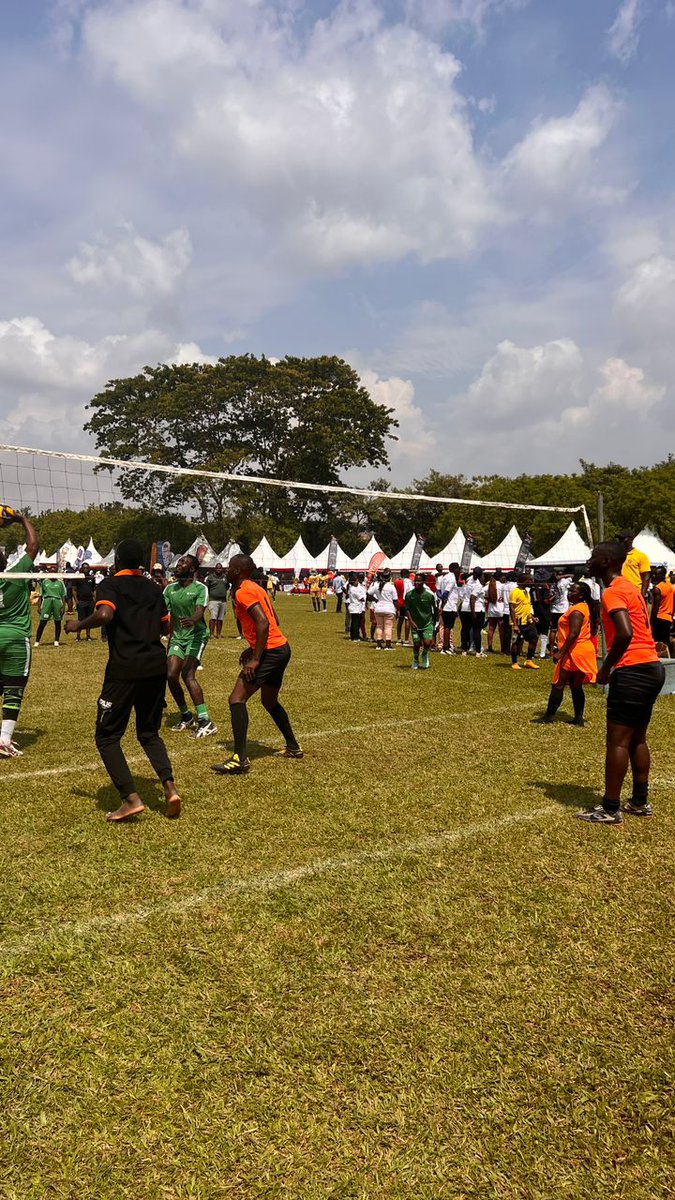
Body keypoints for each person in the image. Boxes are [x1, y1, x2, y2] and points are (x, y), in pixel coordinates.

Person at [65, 538, 181, 822]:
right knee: (149, 733)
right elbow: (167, 625)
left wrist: (78, 624)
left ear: (117, 562)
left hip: (125, 670)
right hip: (155, 667)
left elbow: (105, 614)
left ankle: (131, 799)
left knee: (106, 736)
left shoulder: (110, 585)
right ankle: (170, 790)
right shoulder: (155, 589)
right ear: (140, 562)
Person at [575, 541, 665, 825]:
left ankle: (610, 808)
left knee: (617, 741)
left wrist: (607, 668)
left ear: (606, 561)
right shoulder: (631, 589)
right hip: (651, 667)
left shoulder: (613, 592)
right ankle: (639, 801)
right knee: (637, 737)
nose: (589, 560)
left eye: (594, 556)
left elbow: (625, 632)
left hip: (633, 669)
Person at [212, 553, 302, 775]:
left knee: (236, 699)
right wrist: (253, 647)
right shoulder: (257, 588)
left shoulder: (244, 591)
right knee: (269, 701)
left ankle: (239, 759)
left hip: (271, 652)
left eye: (230, 567)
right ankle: (293, 747)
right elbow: (275, 621)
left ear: (238, 571)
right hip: (280, 648)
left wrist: (255, 658)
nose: (227, 570)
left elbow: (263, 623)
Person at [0, 512, 40, 758]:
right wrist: (22, 519)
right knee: (14, 689)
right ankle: (3, 740)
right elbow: (33, 545)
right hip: (15, 638)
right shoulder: (15, 573)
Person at [164, 554, 217, 738]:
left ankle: (205, 721)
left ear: (192, 569)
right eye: (178, 562)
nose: (179, 565)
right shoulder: (170, 589)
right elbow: (162, 613)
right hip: (178, 637)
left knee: (188, 674)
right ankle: (186, 716)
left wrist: (192, 620)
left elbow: (199, 612)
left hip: (197, 636)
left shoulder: (200, 588)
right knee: (171, 675)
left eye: (183, 563)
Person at [535, 582, 598, 725]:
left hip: (574, 651)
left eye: (573, 591)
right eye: (569, 590)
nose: (569, 593)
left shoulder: (577, 610)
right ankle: (578, 718)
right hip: (582, 650)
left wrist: (561, 652)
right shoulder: (585, 607)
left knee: (558, 683)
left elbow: (574, 633)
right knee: (576, 685)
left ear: (581, 595)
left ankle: (549, 716)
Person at [404, 576, 437, 670]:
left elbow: (435, 609)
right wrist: (410, 621)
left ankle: (425, 655)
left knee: (427, 643)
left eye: (419, 581)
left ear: (424, 582)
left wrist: (436, 623)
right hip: (415, 623)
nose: (417, 583)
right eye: (416, 581)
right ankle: (415, 659)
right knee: (417, 644)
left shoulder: (430, 595)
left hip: (427, 623)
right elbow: (407, 609)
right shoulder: (410, 595)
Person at [509, 573, 540, 670]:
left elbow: (526, 607)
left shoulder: (526, 592)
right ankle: (514, 662)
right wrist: (515, 625)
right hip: (518, 622)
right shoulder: (515, 592)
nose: (532, 582)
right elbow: (512, 608)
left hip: (528, 621)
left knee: (534, 639)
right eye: (529, 580)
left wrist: (532, 616)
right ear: (523, 580)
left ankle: (529, 660)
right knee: (516, 642)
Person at [34, 571, 67, 648]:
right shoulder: (45, 582)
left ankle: (56, 641)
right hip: (47, 602)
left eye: (54, 571)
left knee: (57, 622)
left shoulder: (60, 583)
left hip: (57, 601)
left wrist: (64, 607)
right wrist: (39, 607)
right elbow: (41, 595)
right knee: (43, 622)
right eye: (51, 571)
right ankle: (37, 641)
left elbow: (63, 596)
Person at [370, 569, 398, 650]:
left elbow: (368, 594)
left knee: (379, 626)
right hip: (389, 608)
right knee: (388, 627)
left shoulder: (376, 585)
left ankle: (378, 645)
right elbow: (395, 600)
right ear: (389, 578)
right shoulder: (391, 587)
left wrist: (376, 600)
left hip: (378, 608)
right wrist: (397, 609)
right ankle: (388, 645)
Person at [548, 569, 573, 655]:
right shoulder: (564, 582)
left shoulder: (552, 585)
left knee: (553, 630)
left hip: (554, 609)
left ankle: (551, 649)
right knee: (562, 629)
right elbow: (572, 576)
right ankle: (560, 647)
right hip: (563, 609)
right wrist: (565, 575)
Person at [619, 530, 650, 596]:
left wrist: (643, 592)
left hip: (635, 593)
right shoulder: (617, 555)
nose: (620, 541)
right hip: (620, 592)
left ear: (630, 540)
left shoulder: (641, 556)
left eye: (623, 538)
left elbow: (646, 576)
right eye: (619, 538)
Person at [437, 563, 459, 654]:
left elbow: (438, 591)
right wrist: (442, 606)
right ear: (454, 569)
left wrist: (441, 599)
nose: (459, 571)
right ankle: (445, 648)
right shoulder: (452, 578)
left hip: (446, 605)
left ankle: (447, 647)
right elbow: (446, 593)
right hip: (449, 606)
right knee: (448, 627)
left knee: (446, 627)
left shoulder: (444, 577)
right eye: (458, 569)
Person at [650, 566, 673, 647]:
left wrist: (651, 621)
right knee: (666, 642)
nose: (654, 576)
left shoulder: (657, 589)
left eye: (656, 574)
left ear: (662, 575)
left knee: (658, 644)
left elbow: (655, 607)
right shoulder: (671, 586)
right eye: (654, 574)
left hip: (659, 618)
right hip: (668, 619)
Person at [205, 562, 229, 639]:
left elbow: (227, 586)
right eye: (217, 568)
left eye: (220, 568)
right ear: (215, 569)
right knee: (213, 618)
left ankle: (219, 634)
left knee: (220, 618)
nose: (219, 569)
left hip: (223, 601)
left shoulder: (225, 577)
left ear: (222, 569)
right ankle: (212, 634)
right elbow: (206, 587)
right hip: (213, 600)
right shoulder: (210, 577)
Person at [72, 565, 96, 642]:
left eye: (87, 568)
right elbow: (74, 590)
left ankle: (88, 636)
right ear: (81, 568)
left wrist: (95, 600)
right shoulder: (77, 578)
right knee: (81, 619)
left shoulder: (91, 578)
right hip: (81, 601)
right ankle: (78, 636)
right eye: (84, 567)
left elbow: (94, 590)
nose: (86, 569)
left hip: (90, 601)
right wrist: (77, 601)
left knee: (89, 619)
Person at [469, 567, 487, 656]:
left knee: (474, 630)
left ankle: (473, 648)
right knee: (477, 631)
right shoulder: (478, 585)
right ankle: (478, 651)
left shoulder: (472, 583)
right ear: (481, 575)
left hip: (476, 609)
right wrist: (473, 612)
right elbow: (472, 598)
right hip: (478, 610)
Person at [485, 569, 504, 653]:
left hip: (492, 608)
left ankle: (489, 646)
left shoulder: (489, 585)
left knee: (491, 629)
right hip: (501, 608)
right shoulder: (502, 586)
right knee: (501, 629)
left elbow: (483, 592)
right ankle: (503, 647)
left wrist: (488, 598)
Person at [395, 569, 413, 645]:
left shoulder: (397, 581)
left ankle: (399, 639)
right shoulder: (409, 582)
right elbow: (410, 592)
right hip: (406, 602)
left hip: (399, 602)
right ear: (407, 574)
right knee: (407, 620)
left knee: (400, 620)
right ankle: (406, 640)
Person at [346, 573, 367, 641]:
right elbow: (361, 598)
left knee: (354, 622)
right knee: (356, 623)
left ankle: (354, 635)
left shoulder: (351, 588)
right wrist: (363, 597)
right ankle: (355, 637)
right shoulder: (353, 589)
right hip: (356, 607)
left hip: (355, 607)